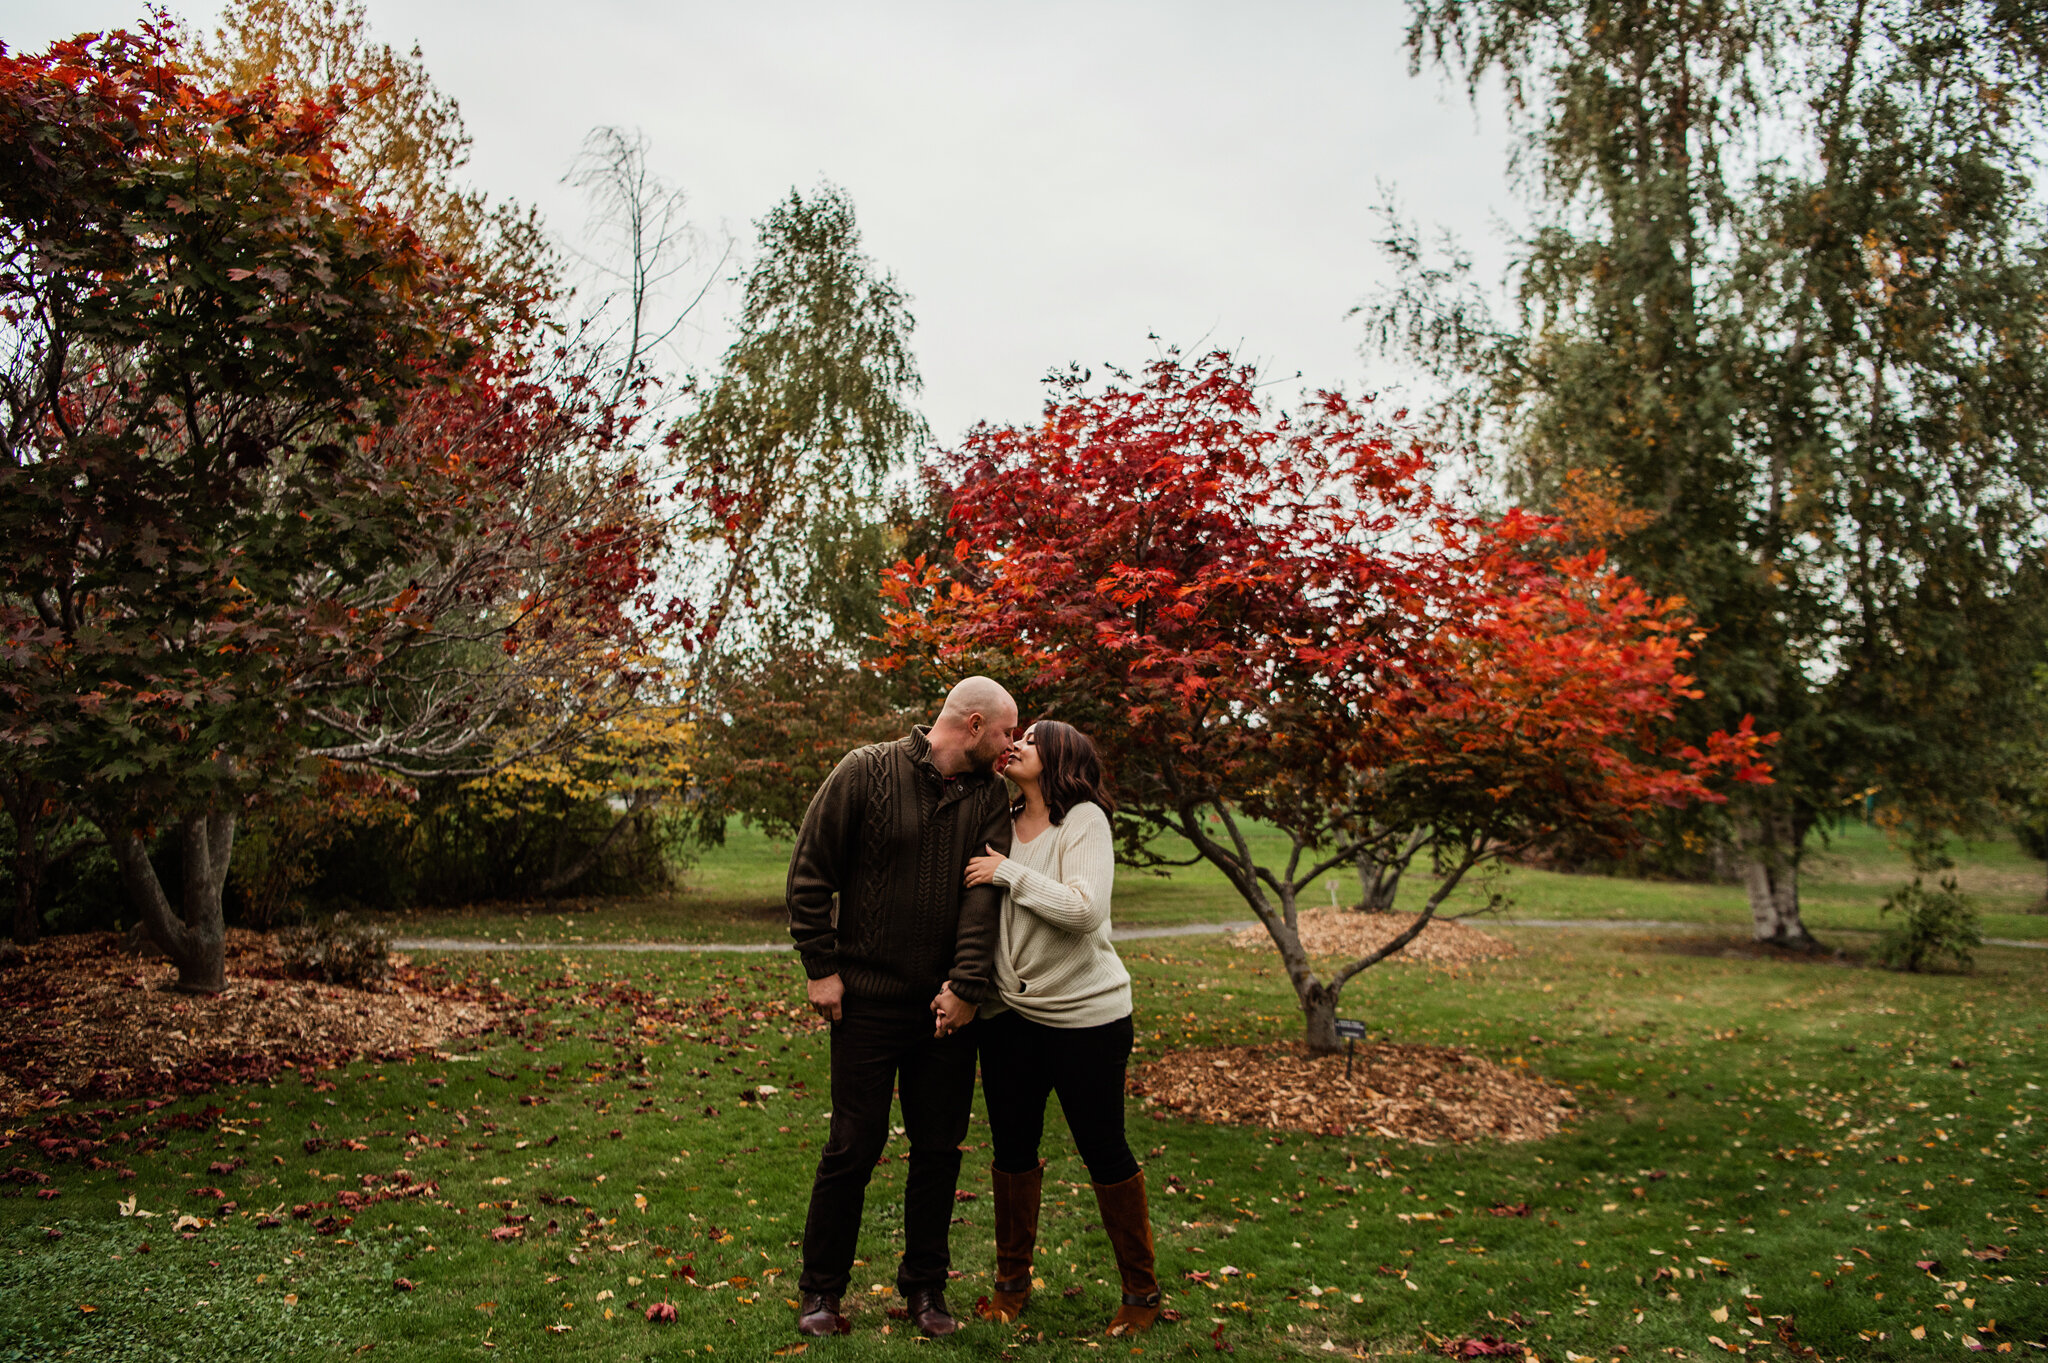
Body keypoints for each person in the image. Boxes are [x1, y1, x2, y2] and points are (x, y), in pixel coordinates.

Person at [786, 676, 1019, 1339]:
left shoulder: (988, 798)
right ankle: (822, 1291)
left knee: (939, 1150)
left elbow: (984, 900)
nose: (1010, 746)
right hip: (864, 1003)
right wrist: (822, 967)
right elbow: (809, 872)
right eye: (1005, 732)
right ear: (973, 724)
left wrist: (967, 986)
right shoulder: (866, 771)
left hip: (944, 1009)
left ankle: (925, 1289)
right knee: (851, 1147)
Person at [956, 719, 1162, 1337]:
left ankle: (1142, 1291)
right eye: (1015, 734)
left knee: (1103, 1150)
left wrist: (1007, 874)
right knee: (1013, 1153)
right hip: (1008, 1019)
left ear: (1061, 757)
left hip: (1086, 1020)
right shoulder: (999, 822)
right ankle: (1011, 1284)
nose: (1015, 743)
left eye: (1033, 738)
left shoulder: (1084, 823)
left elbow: (1083, 910)